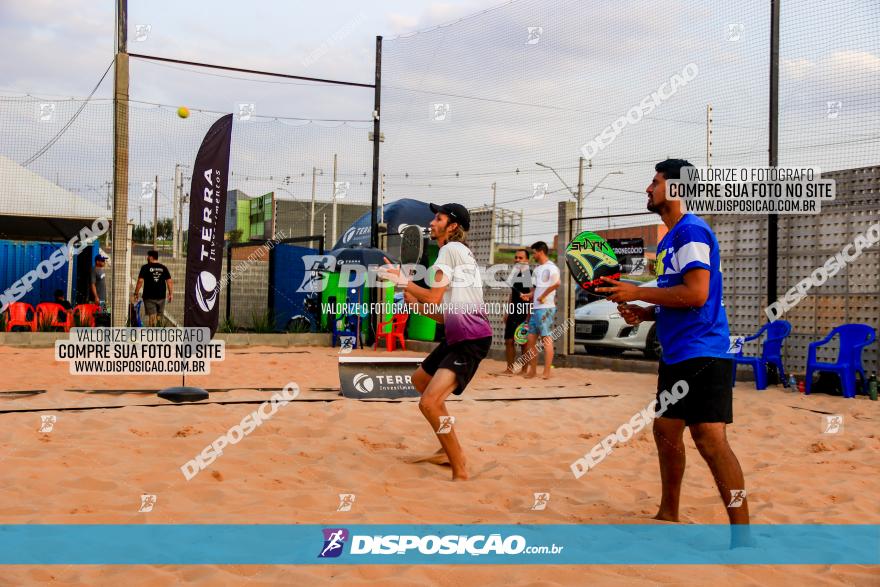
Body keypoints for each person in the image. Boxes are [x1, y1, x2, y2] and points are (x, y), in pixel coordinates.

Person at [596, 158, 749, 539]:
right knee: (666, 431)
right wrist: (644, 311)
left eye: (655, 181)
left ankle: (743, 536)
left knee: (711, 441)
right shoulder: (671, 237)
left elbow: (697, 293)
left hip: (705, 353)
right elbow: (676, 296)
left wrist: (637, 290)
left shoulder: (691, 233)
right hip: (679, 353)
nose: (647, 188)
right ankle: (668, 512)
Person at [379, 203, 493, 481]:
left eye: (438, 218)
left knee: (429, 403)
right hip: (459, 335)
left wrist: (404, 282)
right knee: (420, 381)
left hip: (471, 338)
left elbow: (433, 297)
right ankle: (446, 450)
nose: (432, 222)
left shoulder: (449, 250)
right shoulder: (460, 254)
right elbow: (442, 315)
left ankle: (461, 469)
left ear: (452, 227)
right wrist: (416, 304)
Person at [524, 241, 559, 379]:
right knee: (531, 340)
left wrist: (543, 296)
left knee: (546, 340)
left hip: (546, 309)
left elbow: (557, 284)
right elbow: (535, 290)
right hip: (536, 309)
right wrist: (528, 296)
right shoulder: (538, 270)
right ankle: (532, 371)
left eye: (534, 252)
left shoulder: (552, 268)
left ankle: (546, 372)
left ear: (540, 251)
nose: (533, 255)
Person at [499, 248, 532, 375]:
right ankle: (509, 368)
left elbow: (532, 296)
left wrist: (529, 316)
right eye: (516, 257)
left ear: (527, 260)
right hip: (513, 311)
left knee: (523, 342)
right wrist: (507, 312)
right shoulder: (514, 274)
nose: (517, 260)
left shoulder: (529, 274)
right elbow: (512, 295)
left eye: (521, 258)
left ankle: (524, 370)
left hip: (525, 312)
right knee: (508, 341)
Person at [133, 250, 173, 327]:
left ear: (151, 257)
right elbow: (169, 281)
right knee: (159, 317)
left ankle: (152, 334)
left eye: (148, 256)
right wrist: (171, 294)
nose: (147, 258)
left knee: (152, 316)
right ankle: (157, 335)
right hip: (161, 296)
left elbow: (140, 281)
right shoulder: (163, 268)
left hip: (149, 296)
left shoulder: (145, 267)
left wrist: (136, 293)